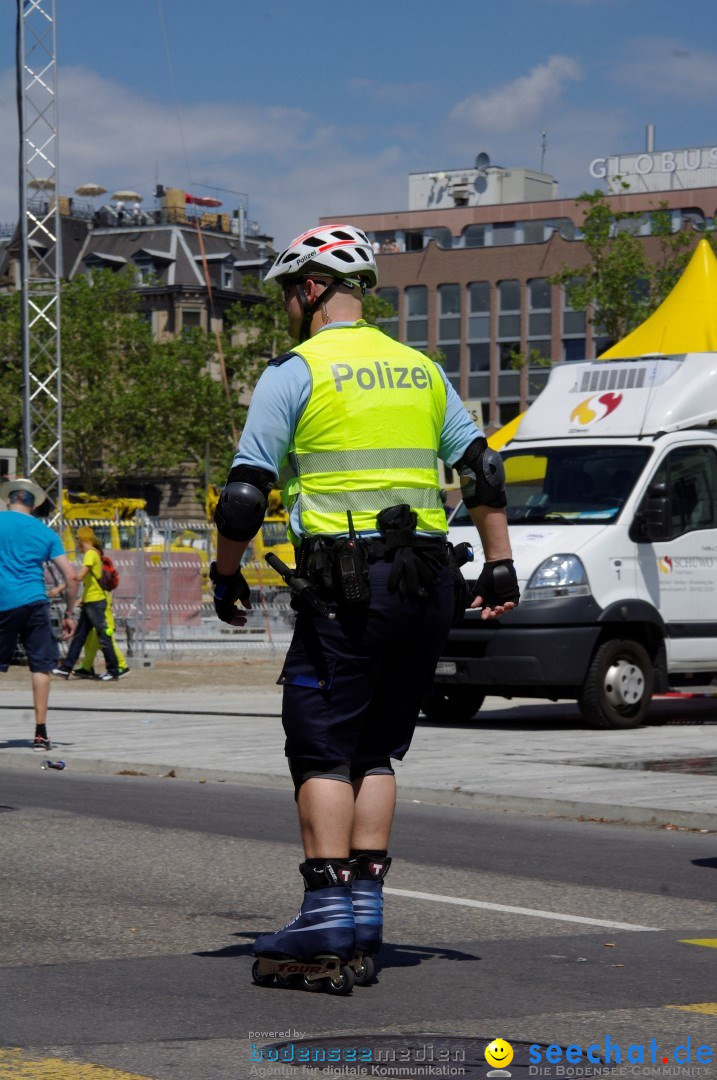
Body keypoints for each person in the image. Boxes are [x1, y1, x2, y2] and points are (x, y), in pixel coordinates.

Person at [210, 223, 519, 990]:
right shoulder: (420, 369)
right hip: (428, 581)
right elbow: (482, 470)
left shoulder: (296, 370)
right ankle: (366, 906)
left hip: (347, 584)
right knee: (378, 744)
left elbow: (245, 493)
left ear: (309, 288)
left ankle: (324, 912)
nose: (287, 307)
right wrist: (502, 567)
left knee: (319, 741)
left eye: (289, 292)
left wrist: (224, 574)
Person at [0, 478, 78, 751]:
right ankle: (41, 733)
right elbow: (71, 576)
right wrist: (69, 612)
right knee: (41, 666)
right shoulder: (46, 533)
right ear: (34, 506)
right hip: (35, 602)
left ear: (9, 499)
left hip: (2, 603)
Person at [52, 526, 122, 681]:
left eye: (77, 539)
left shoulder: (90, 554)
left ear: (82, 540)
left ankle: (113, 670)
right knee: (79, 637)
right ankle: (66, 668)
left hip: (95, 602)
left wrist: (60, 587)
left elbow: (79, 576)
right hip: (90, 601)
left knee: (103, 636)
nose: (76, 544)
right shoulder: (94, 554)